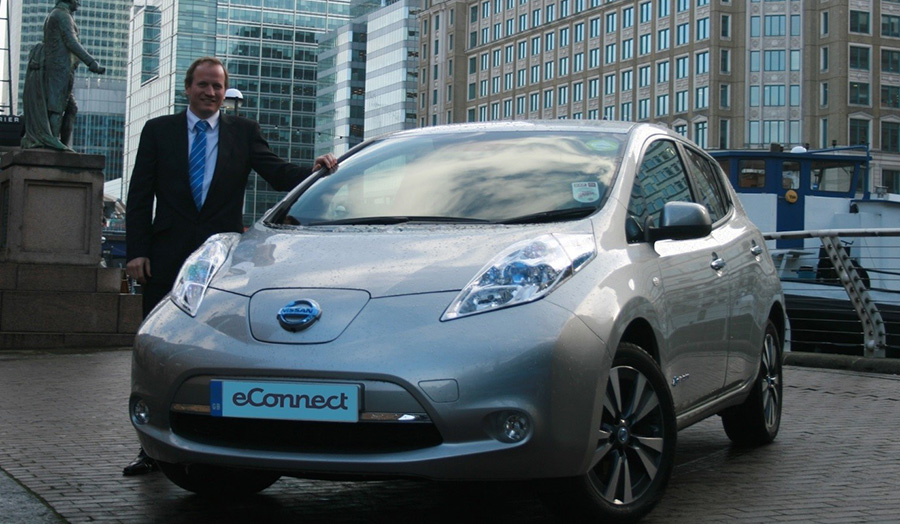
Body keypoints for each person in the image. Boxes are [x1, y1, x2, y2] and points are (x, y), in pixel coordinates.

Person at [122, 56, 337, 476]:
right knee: (156, 350)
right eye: (203, 85)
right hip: (164, 256)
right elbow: (139, 195)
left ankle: (217, 437)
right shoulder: (158, 131)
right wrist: (136, 252)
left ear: (226, 91)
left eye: (218, 87)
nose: (211, 93)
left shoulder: (243, 132)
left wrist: (314, 171)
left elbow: (276, 174)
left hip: (219, 259)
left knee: (216, 342)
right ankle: (152, 448)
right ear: (188, 88)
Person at [21, 0, 105, 151]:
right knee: (56, 107)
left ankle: (62, 146)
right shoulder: (61, 15)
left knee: (70, 108)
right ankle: (52, 143)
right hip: (58, 69)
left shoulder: (59, 14)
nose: (79, 3)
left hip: (61, 68)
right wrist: (92, 63)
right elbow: (71, 42)